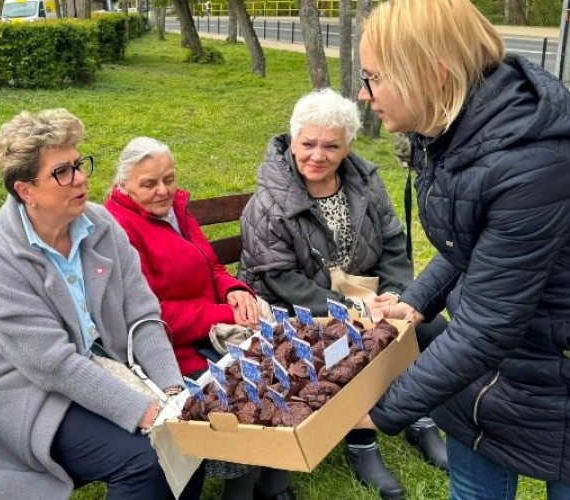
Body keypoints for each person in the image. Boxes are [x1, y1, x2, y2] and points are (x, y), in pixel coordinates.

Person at [353, 1, 570, 499]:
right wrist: (416, 299)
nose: (365, 96)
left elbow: (488, 326)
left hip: (553, 377)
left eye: (372, 78)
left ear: (431, 73)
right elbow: (469, 243)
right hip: (483, 373)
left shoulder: (533, 163)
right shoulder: (456, 131)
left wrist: (381, 410)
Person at [0, 109, 205, 500]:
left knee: (187, 435)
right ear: (26, 191)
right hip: (27, 396)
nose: (80, 178)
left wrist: (174, 394)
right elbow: (53, 364)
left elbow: (143, 314)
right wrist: (147, 412)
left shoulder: (101, 225)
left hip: (103, 371)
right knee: (146, 459)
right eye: (62, 172)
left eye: (79, 164)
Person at [238, 88, 449, 500]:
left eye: (331, 146)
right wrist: (355, 309)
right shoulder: (268, 203)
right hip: (296, 310)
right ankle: (362, 445)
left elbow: (392, 244)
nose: (318, 155)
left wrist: (395, 296)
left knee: (429, 329)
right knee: (347, 346)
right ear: (293, 140)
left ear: (347, 146)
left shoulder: (365, 182)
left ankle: (419, 418)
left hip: (363, 296)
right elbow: (280, 279)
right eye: (308, 144)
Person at [105, 136, 294, 500]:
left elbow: (211, 265)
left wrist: (233, 290)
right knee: (239, 394)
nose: (163, 190)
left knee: (279, 362)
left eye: (168, 179)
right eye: (148, 184)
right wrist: (223, 313)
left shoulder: (175, 209)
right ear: (123, 185)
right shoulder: (118, 229)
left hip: (211, 331)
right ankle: (239, 492)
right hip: (172, 350)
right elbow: (149, 313)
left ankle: (272, 483)